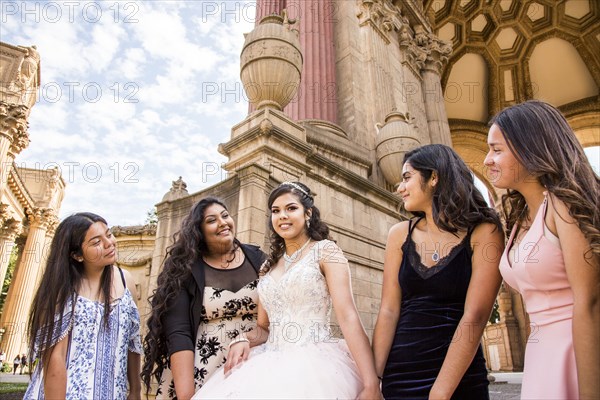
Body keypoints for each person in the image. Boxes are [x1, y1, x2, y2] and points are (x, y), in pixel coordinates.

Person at [193, 182, 381, 400]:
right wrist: (243, 338)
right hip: (267, 360)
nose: (282, 215)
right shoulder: (267, 267)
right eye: (276, 211)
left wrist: (371, 383)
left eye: (291, 208)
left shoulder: (326, 252)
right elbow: (264, 328)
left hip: (317, 363)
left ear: (307, 213)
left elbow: (348, 316)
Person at [484, 100, 599, 400]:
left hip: (575, 352)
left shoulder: (563, 205)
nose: (487, 160)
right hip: (540, 358)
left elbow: (589, 303)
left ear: (530, 147)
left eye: (497, 150)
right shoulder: (518, 217)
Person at [372, 144, 504, 399]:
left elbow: (475, 315)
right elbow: (388, 310)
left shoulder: (485, 231)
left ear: (434, 177)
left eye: (407, 177)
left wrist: (441, 392)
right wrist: (374, 380)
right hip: (400, 374)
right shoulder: (399, 234)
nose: (400, 187)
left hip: (458, 376)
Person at [142, 197, 267, 399]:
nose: (223, 222)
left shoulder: (257, 258)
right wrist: (187, 394)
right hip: (202, 370)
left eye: (225, 215)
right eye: (211, 220)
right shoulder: (184, 269)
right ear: (198, 231)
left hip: (253, 362)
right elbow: (179, 332)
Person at [23, 212, 142, 399]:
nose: (109, 243)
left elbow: (133, 343)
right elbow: (56, 360)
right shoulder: (62, 290)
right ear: (77, 255)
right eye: (96, 242)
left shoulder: (126, 280)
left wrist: (136, 391)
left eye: (108, 234)